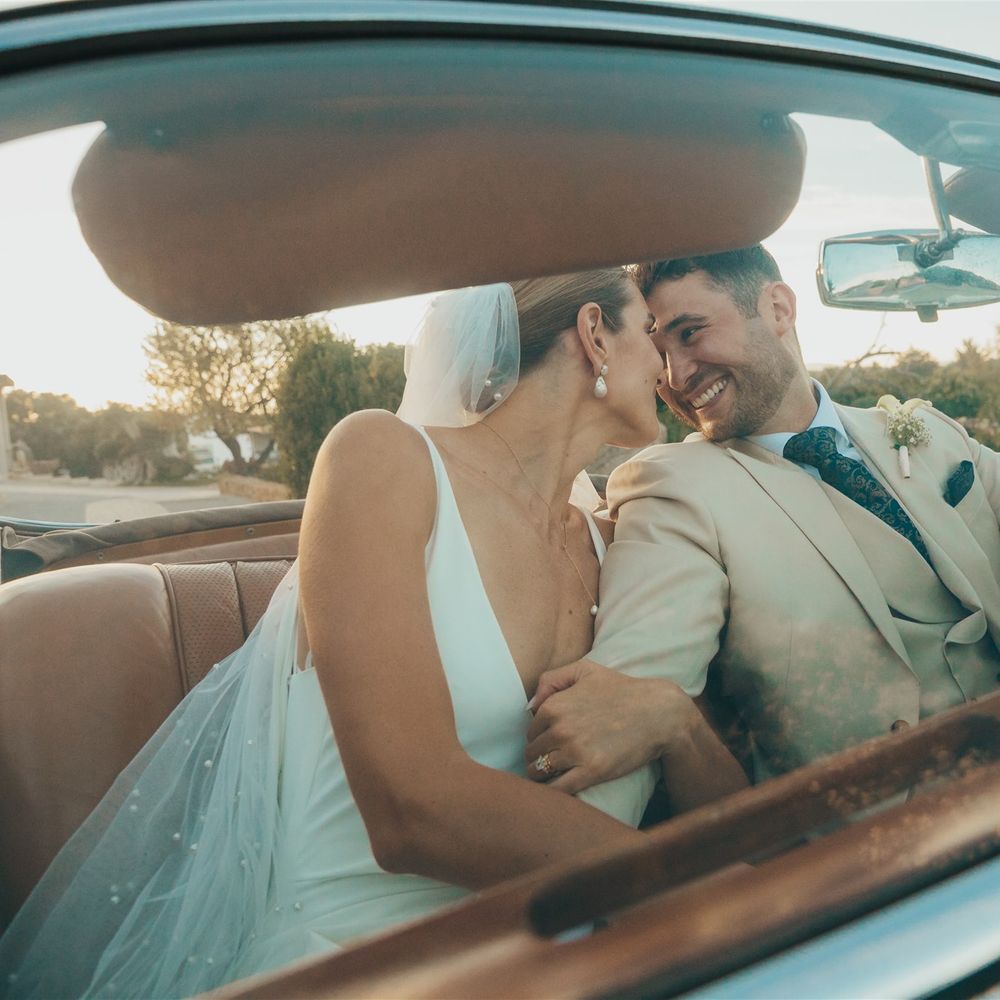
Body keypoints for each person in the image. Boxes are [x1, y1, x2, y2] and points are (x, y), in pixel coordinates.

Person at [0, 270, 743, 999]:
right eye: (649, 334)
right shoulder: (382, 458)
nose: (671, 368)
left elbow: (715, 799)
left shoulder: (614, 543)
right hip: (356, 964)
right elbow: (409, 810)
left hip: (567, 960)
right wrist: (685, 889)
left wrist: (676, 726)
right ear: (592, 335)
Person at [523, 245, 1000, 803]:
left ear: (777, 309)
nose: (677, 376)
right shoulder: (672, 486)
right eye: (659, 354)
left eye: (691, 333)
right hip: (891, 841)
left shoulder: (932, 432)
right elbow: (632, 691)